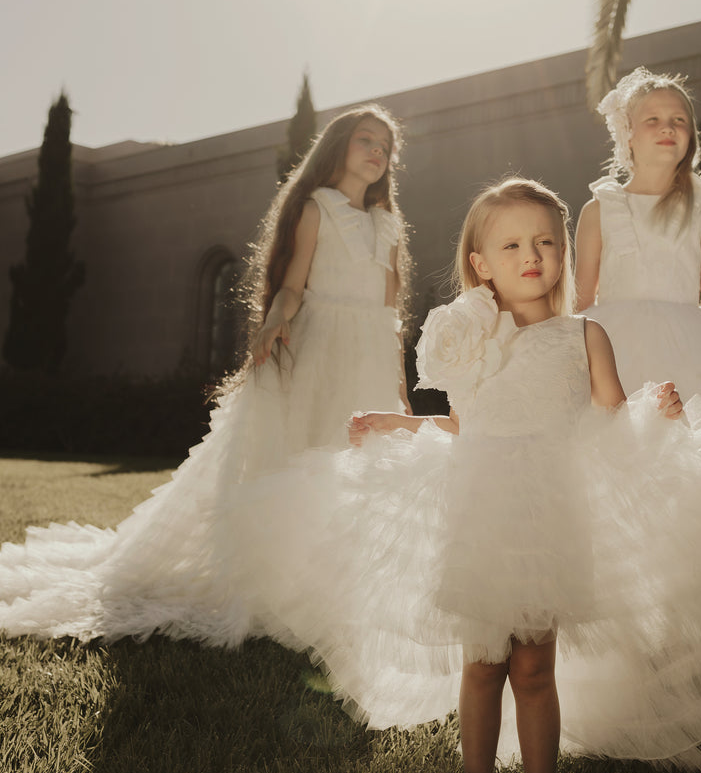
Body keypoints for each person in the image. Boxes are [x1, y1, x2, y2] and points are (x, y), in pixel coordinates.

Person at [244, 178, 701, 773]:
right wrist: (397, 425)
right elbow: (467, 425)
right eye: (511, 244)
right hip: (483, 512)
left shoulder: (583, 337)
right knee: (482, 664)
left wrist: (657, 413)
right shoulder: (474, 341)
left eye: (545, 241)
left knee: (534, 666)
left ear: (563, 252)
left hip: (549, 515)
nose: (531, 254)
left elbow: (610, 421)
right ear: (480, 263)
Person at [0, 104, 410, 645]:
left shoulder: (389, 225)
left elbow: (389, 312)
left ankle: (341, 587)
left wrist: (398, 384)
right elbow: (293, 285)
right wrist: (276, 321)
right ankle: (281, 584)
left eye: (386, 145)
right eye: (366, 139)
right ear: (339, 146)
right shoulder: (318, 208)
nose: (378, 151)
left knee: (359, 468)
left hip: (367, 359)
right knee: (303, 456)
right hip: (317, 351)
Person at [574, 66, 701, 419]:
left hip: (690, 362)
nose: (668, 127)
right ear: (628, 133)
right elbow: (579, 305)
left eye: (679, 119)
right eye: (652, 119)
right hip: (615, 356)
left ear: (691, 135)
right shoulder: (599, 210)